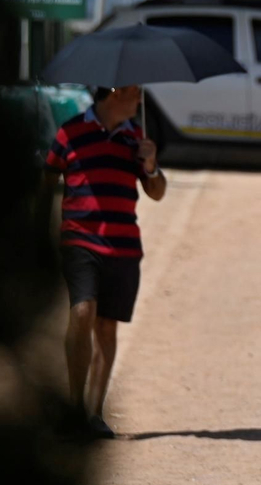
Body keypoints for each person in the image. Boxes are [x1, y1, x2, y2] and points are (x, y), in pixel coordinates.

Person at [45, 85, 168, 438]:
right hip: (79, 241)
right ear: (115, 92)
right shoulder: (70, 132)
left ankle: (93, 414)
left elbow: (156, 192)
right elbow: (48, 175)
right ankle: (73, 407)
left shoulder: (137, 139)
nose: (140, 99)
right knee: (82, 312)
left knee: (107, 328)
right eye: (135, 92)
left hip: (123, 246)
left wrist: (151, 165)